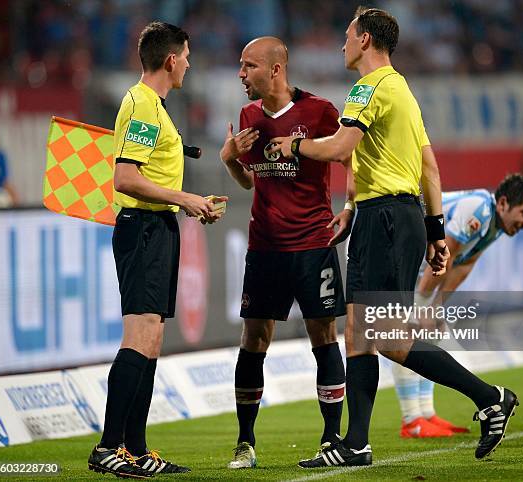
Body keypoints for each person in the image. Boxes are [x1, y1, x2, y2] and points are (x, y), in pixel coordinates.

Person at [270, 7, 520, 466]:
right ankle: (357, 444)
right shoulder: (402, 89)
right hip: (392, 215)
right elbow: (428, 166)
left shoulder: (368, 87)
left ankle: (489, 397)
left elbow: (342, 148)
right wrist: (431, 229)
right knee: (359, 335)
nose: (342, 43)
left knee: (382, 335)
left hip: (385, 217)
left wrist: (297, 146)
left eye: (347, 35)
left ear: (365, 39)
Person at [87, 21, 225, 478]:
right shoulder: (144, 106)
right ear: (171, 59)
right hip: (142, 228)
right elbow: (125, 177)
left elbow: (148, 176)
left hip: (157, 226)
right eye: (186, 55)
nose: (188, 62)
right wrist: (185, 198)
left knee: (152, 339)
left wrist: (186, 204)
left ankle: (135, 448)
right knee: (140, 336)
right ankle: (109, 447)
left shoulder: (155, 107)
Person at [219, 36, 353, 469]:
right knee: (254, 339)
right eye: (241, 66)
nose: (241, 74)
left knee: (324, 337)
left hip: (313, 245)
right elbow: (249, 180)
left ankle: (331, 438)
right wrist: (229, 161)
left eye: (249, 66)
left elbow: (352, 158)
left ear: (275, 69)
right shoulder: (247, 115)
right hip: (266, 247)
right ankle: (244, 443)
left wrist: (349, 206)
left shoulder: (319, 111)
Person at [393, 174, 523, 439]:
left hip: (413, 265)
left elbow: (463, 266)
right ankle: (411, 420)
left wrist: (436, 306)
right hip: (395, 255)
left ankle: (426, 414)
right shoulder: (479, 210)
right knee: (405, 333)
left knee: (431, 331)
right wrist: (423, 304)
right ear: (504, 203)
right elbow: (443, 253)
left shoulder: (494, 225)